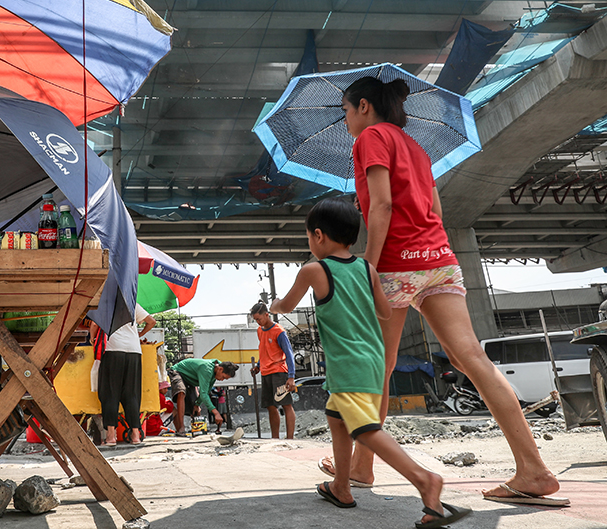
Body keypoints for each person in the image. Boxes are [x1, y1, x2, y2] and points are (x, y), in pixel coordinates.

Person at [321, 75, 565, 506]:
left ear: (363, 106)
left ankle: (361, 467)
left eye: (344, 110)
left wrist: (370, 270)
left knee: (376, 366)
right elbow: (433, 208)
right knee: (471, 357)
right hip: (440, 259)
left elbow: (382, 206)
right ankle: (534, 471)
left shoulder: (370, 138)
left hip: (396, 264)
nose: (344, 121)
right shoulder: (417, 148)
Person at [271, 198, 470, 528]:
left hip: (348, 363)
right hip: (372, 358)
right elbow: (385, 311)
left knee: (364, 429)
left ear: (318, 236)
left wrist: (275, 305)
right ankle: (341, 487)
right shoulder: (367, 269)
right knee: (336, 418)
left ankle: (425, 481)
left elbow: (287, 304)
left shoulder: (313, 270)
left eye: (309, 237)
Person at [91, 304, 156, 445]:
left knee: (110, 393)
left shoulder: (105, 304)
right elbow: (152, 321)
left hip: (112, 350)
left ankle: (111, 436)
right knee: (132, 394)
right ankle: (135, 435)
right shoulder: (132, 304)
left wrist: (92, 339)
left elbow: (95, 324)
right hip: (134, 352)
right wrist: (139, 335)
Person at [249, 301, 297, 439]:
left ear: (266, 314)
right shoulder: (260, 331)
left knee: (286, 404)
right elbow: (264, 350)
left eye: (259, 319)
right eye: (255, 320)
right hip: (265, 372)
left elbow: (289, 354)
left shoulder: (279, 332)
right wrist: (258, 365)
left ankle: (290, 438)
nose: (258, 322)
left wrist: (291, 376)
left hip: (279, 372)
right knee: (270, 406)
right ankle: (275, 438)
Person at [167, 358, 238, 435]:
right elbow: (203, 394)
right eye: (223, 377)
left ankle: (192, 431)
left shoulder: (215, 371)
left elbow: (206, 392)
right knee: (181, 393)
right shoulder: (206, 369)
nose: (222, 380)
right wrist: (216, 413)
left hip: (190, 380)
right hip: (178, 372)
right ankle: (181, 428)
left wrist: (197, 404)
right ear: (220, 369)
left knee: (195, 409)